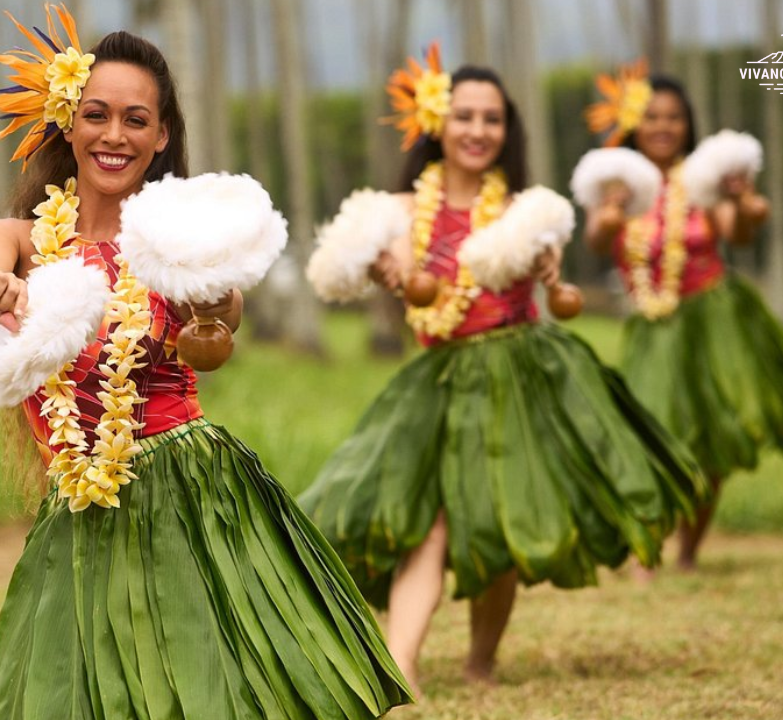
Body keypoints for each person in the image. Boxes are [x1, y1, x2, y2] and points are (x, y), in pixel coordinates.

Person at [0, 8, 410, 718]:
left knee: (206, 692)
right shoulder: (19, 237)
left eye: (136, 119)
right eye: (97, 115)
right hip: (79, 508)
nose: (114, 135)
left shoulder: (177, 241)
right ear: (67, 124)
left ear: (161, 135)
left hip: (188, 494)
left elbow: (221, 314)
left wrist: (213, 307)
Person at [299, 46, 706, 697]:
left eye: (491, 119)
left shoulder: (528, 210)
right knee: (426, 525)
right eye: (464, 116)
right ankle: (401, 663)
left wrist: (550, 272)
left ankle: (480, 661)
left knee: (499, 523)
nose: (477, 131)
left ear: (505, 129)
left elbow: (559, 294)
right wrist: (393, 276)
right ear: (438, 121)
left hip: (518, 376)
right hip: (438, 381)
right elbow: (410, 291)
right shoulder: (400, 210)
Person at [580, 69, 783, 570]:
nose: (664, 126)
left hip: (712, 322)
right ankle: (649, 553)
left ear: (688, 125)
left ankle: (689, 551)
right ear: (633, 123)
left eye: (674, 117)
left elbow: (739, 230)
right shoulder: (616, 181)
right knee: (649, 440)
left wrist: (743, 201)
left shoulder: (702, 180)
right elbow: (598, 241)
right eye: (652, 116)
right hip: (652, 327)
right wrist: (609, 215)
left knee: (710, 447)